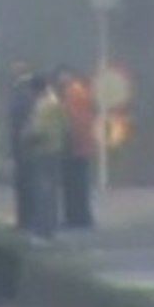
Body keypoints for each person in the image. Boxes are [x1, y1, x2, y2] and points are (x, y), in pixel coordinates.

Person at [22, 74, 68, 240]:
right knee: (52, 191)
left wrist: (25, 136)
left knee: (42, 192)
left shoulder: (42, 106)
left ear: (35, 90)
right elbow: (65, 125)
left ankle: (42, 231)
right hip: (56, 149)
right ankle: (51, 229)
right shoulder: (55, 102)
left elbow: (38, 131)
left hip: (42, 151)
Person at [55, 65, 97, 228]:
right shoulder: (80, 91)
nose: (59, 80)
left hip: (75, 146)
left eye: (61, 76)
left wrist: (69, 141)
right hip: (82, 146)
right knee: (79, 185)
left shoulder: (72, 93)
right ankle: (81, 217)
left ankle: (75, 218)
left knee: (73, 185)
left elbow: (73, 121)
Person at [7, 61, 41, 230]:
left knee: (25, 183)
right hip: (26, 143)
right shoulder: (28, 89)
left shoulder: (23, 90)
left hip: (24, 143)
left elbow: (19, 116)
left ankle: (26, 220)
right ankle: (26, 219)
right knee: (26, 182)